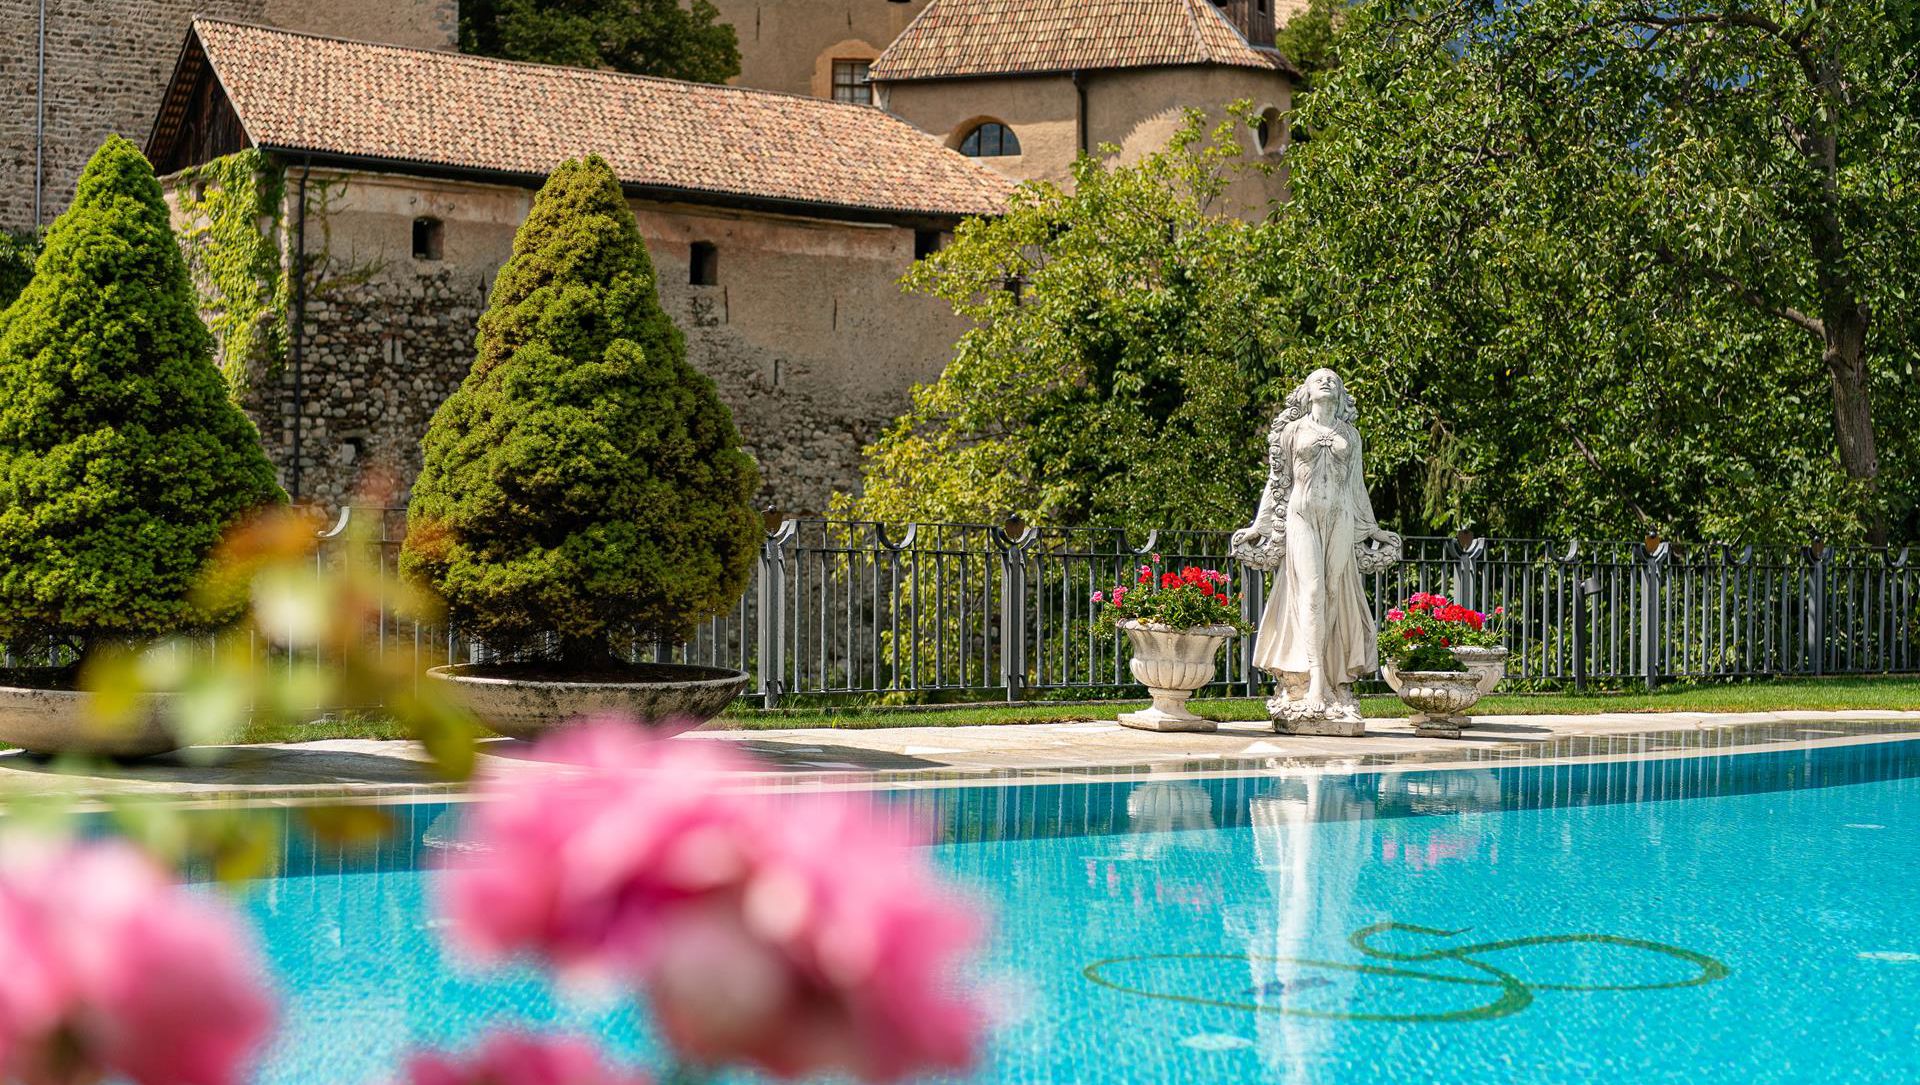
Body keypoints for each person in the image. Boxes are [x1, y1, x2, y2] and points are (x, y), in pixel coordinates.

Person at [1231, 368, 1399, 730]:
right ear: (1306, 391)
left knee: (1334, 590)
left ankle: (1335, 680)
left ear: (1339, 392)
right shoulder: (1293, 431)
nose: (1326, 381)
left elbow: (1357, 487)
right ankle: (1315, 681)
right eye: (1318, 378)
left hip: (1340, 517)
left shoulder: (1349, 434)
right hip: (1302, 516)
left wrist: (1372, 529)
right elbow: (1277, 484)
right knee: (1311, 590)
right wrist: (1260, 525)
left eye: (1333, 379)